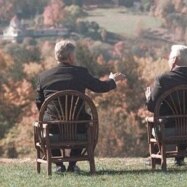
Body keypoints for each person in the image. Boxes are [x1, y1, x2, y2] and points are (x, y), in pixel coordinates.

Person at [35, 40, 125, 173]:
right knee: (86, 122)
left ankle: (59, 165)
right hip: (78, 126)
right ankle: (72, 164)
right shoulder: (81, 73)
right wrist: (112, 80)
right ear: (71, 57)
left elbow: (39, 103)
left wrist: (53, 115)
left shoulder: (43, 77)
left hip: (53, 127)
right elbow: (99, 87)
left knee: (45, 124)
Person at [145, 44, 187, 165]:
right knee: (185, 118)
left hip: (168, 130)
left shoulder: (163, 79)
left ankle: (156, 158)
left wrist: (148, 97)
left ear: (175, 60)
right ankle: (180, 158)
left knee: (158, 121)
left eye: (170, 58)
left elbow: (151, 107)